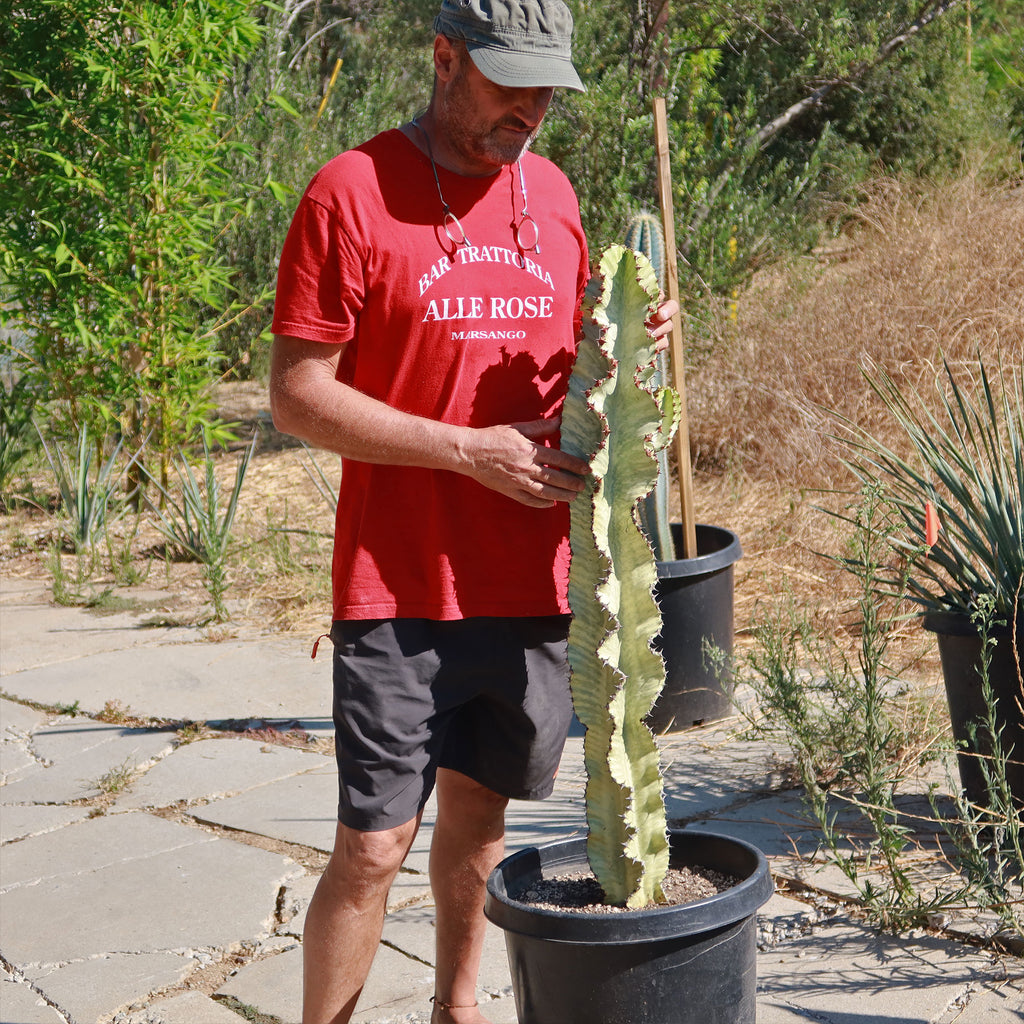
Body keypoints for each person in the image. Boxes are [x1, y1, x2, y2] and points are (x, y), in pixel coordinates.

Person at [269, 2, 677, 1022]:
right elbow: (296, 394)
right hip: (397, 579)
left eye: (547, 87)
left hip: (534, 576)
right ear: (443, 60)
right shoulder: (350, 192)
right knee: (371, 845)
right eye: (509, 83)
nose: (531, 108)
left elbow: (574, 365)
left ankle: (459, 1006)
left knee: (482, 818)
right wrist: (463, 450)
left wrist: (635, 334)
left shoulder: (555, 194)